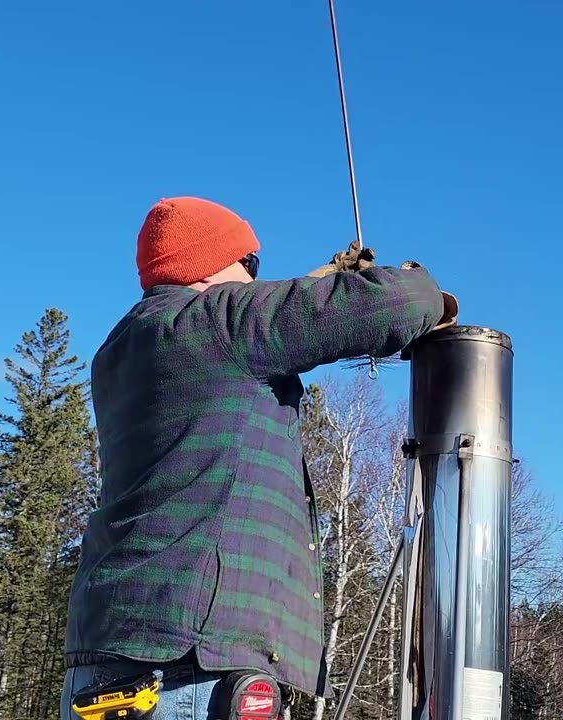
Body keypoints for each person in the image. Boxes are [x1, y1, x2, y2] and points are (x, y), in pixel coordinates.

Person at [60, 196, 454, 719]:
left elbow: (263, 322)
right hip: (191, 668)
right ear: (214, 263)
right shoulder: (219, 324)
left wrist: (322, 279)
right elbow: (397, 304)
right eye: (251, 265)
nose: (254, 279)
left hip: (115, 664)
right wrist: (416, 288)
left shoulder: (128, 345)